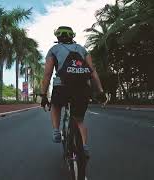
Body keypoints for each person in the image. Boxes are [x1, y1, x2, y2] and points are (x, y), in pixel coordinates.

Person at [40, 26, 106, 157]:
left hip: (61, 86)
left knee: (56, 105)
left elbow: (47, 74)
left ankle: (56, 131)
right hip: (82, 88)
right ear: (72, 36)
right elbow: (92, 71)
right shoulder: (82, 49)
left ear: (57, 37)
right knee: (79, 120)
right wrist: (100, 91)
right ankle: (84, 147)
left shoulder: (54, 49)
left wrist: (43, 95)